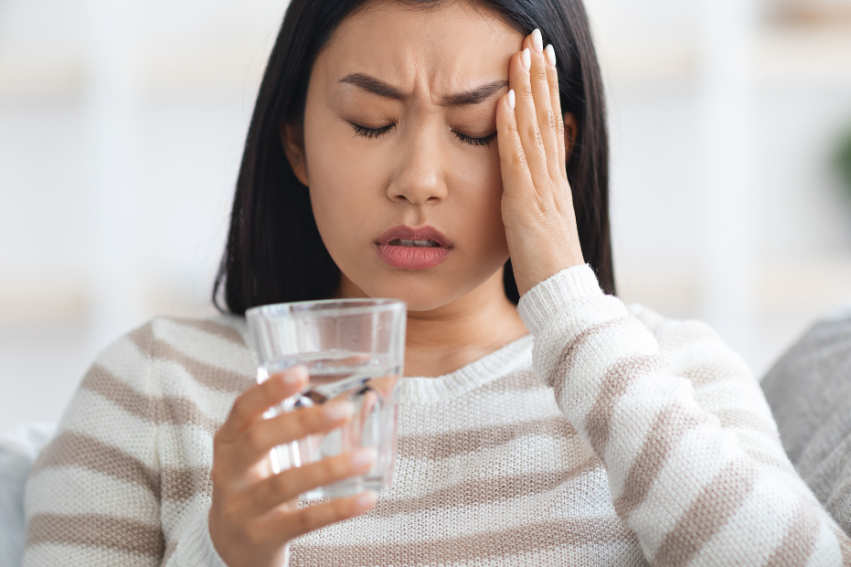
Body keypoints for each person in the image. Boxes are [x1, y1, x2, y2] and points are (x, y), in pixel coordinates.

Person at [21, 0, 851, 565]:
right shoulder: (155, 389)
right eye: (370, 122)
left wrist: (564, 299)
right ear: (296, 143)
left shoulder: (661, 373)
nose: (419, 177)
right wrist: (223, 548)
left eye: (474, 129)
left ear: (550, 147)